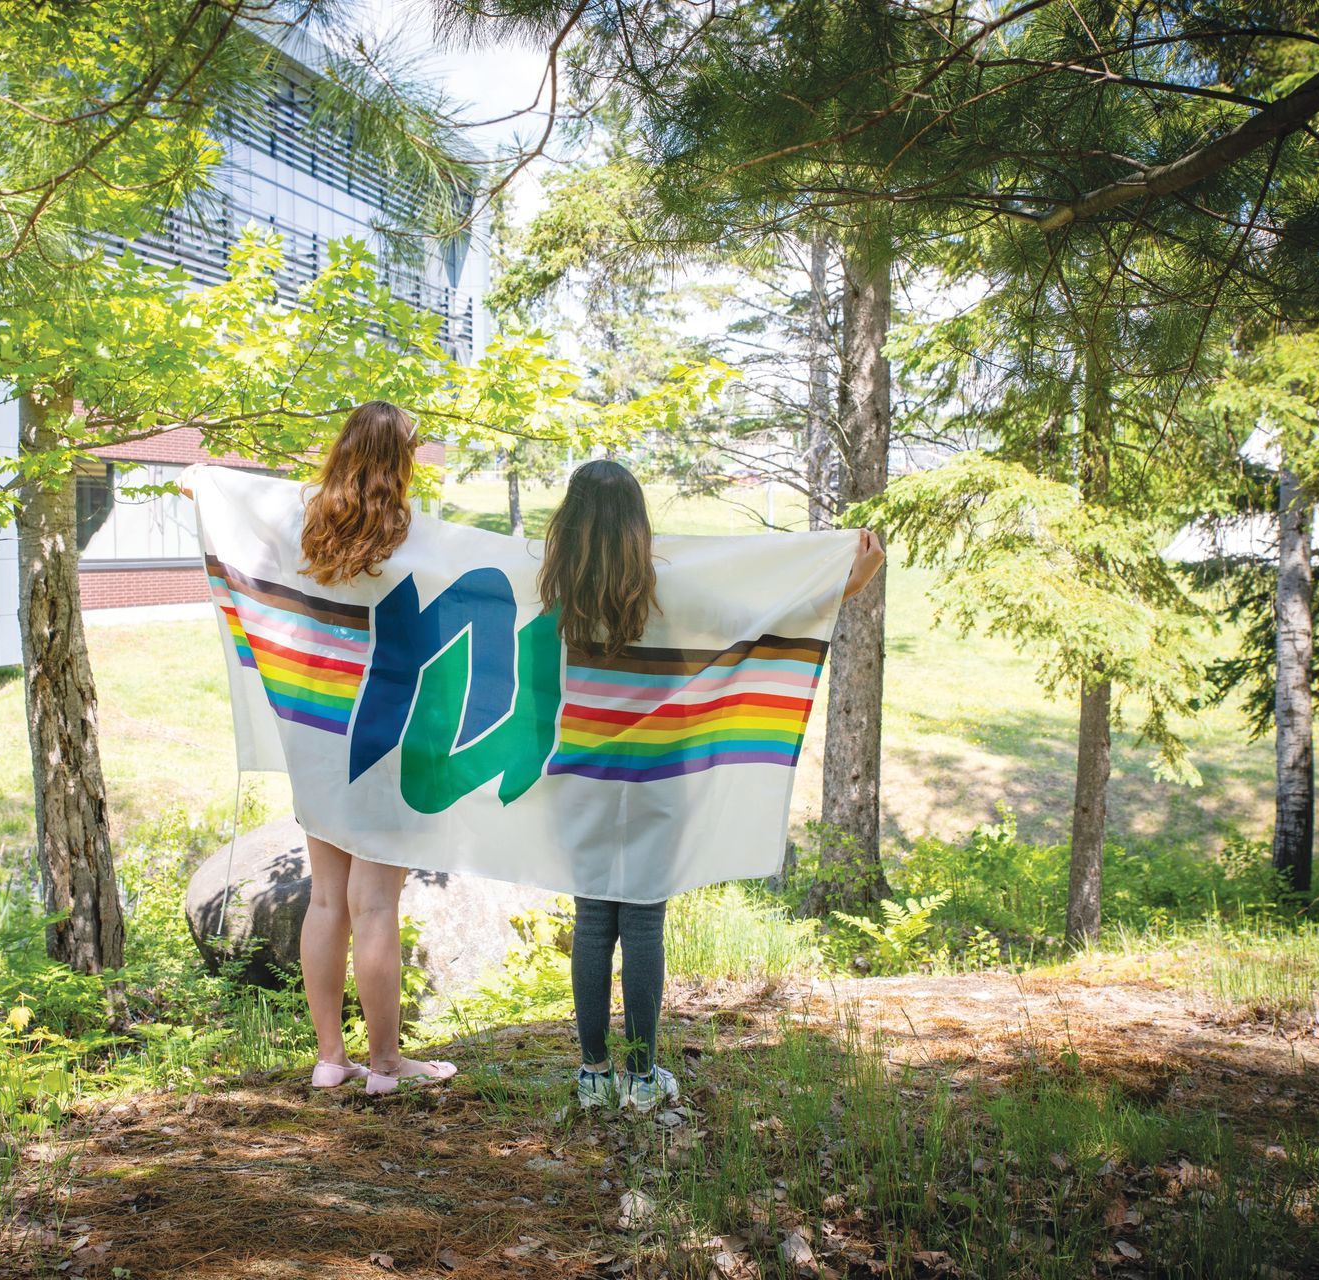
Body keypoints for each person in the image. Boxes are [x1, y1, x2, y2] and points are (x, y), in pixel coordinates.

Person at [539, 460, 886, 1111]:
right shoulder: (672, 591)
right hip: (658, 782)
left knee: (593, 920)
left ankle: (592, 1077)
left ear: (574, 524)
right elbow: (771, 620)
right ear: (639, 523)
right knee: (642, 921)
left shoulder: (561, 593)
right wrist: (853, 580)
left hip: (582, 778)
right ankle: (641, 1081)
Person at [296, 401, 458, 1096]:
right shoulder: (422, 536)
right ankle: (387, 1066)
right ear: (403, 458)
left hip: (318, 727)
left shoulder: (304, 521)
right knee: (377, 904)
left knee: (327, 899)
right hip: (389, 729)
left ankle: (332, 1059)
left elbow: (234, 507)